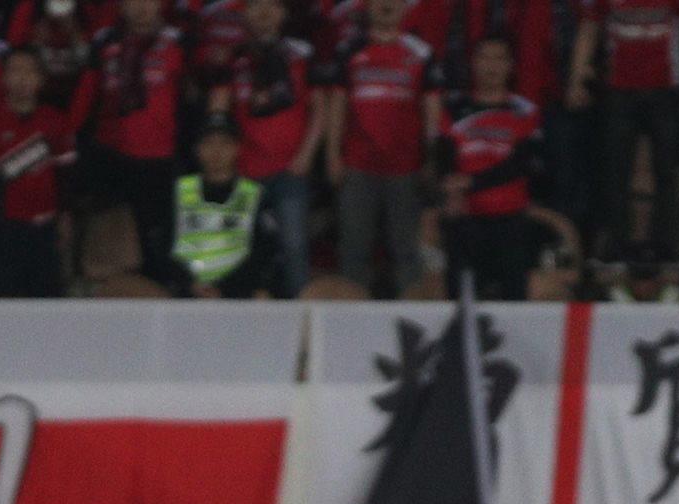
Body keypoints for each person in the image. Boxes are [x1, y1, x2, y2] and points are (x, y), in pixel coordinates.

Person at [568, 0, 679, 264]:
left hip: (665, 90)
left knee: (667, 170)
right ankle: (615, 246)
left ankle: (666, 247)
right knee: (614, 171)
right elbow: (589, 27)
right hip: (619, 89)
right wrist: (576, 78)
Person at [325, 0, 442, 295]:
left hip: (405, 167)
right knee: (354, 250)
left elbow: (432, 110)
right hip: (357, 164)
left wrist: (432, 160)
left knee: (406, 252)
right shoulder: (349, 50)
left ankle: (411, 323)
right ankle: (351, 321)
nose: (386, 5)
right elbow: (337, 105)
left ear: (405, 7)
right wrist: (332, 155)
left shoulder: (421, 52)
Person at [214, 0, 322, 296]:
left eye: (271, 6)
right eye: (255, 6)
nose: (263, 13)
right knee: (239, 245)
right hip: (246, 167)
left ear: (284, 13)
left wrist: (306, 155)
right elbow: (218, 112)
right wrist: (222, 159)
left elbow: (319, 108)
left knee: (295, 247)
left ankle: (301, 321)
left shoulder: (302, 54)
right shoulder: (235, 58)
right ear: (244, 13)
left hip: (290, 167)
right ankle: (239, 313)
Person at [74, 0, 185, 268]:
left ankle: (158, 295)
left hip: (159, 157)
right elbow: (87, 93)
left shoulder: (178, 41)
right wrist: (71, 135)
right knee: (108, 234)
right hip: (111, 154)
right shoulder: (105, 41)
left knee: (158, 239)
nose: (141, 7)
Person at [437, 33, 544, 300]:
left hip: (509, 221)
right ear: (474, 63)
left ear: (510, 66)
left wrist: (471, 183)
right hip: (465, 221)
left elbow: (523, 164)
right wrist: (450, 187)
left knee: (513, 302)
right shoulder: (455, 107)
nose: (492, 66)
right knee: (461, 300)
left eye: (499, 59)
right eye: (485, 58)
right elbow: (444, 155)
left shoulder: (525, 111)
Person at [0, 45, 73, 297]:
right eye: (15, 71)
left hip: (43, 228)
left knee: (45, 300)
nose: (22, 79)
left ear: (41, 79)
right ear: (3, 77)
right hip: (2, 230)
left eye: (29, 72)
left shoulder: (54, 120)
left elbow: (64, 174)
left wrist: (64, 215)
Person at [162, 114, 277, 297]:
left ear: (238, 148)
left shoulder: (254, 194)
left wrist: (225, 288)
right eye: (208, 143)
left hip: (238, 295)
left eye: (225, 144)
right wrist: (190, 284)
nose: (217, 151)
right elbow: (163, 246)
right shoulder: (179, 190)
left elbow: (264, 252)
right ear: (197, 149)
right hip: (185, 294)